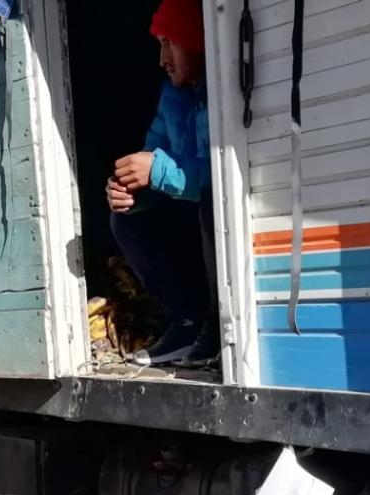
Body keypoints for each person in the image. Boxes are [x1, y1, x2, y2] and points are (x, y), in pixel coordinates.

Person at [108, 0, 218, 367]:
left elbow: (227, 172)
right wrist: (130, 192)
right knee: (127, 220)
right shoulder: (172, 97)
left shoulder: (227, 91)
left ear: (197, 39)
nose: (162, 59)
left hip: (222, 236)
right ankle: (187, 320)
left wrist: (156, 171)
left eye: (170, 42)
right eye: (160, 45)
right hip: (192, 235)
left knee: (213, 199)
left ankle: (218, 322)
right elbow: (152, 160)